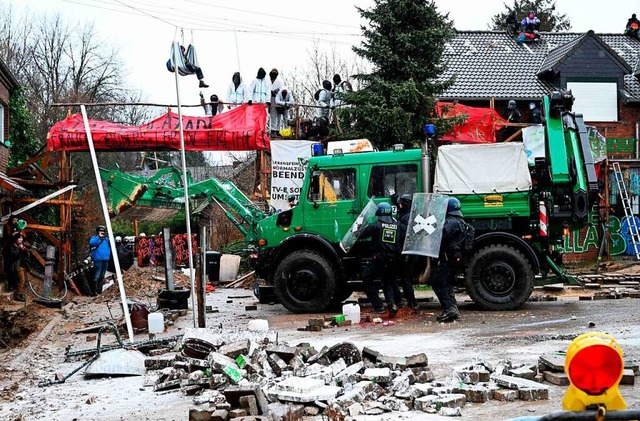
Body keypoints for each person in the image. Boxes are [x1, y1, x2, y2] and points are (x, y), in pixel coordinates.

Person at [358, 202, 401, 317]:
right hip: (394, 259)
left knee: (366, 278)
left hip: (379, 258)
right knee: (388, 282)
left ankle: (378, 306)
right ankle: (392, 305)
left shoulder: (376, 225)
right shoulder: (398, 225)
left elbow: (360, 234)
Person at [431, 197, 466, 323]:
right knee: (448, 284)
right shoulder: (460, 221)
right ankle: (453, 309)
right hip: (454, 258)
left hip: (448, 258)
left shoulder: (451, 222)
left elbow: (439, 233)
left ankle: (449, 309)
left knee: (437, 282)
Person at [393, 193, 419, 313]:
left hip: (407, 252)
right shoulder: (408, 214)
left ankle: (413, 303)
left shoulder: (406, 218)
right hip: (408, 251)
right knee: (404, 278)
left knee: (406, 279)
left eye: (401, 203)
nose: (399, 205)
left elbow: (402, 234)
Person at [89, 225, 111, 296]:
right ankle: (93, 292)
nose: (102, 232)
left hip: (105, 260)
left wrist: (109, 236)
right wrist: (99, 237)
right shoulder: (95, 238)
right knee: (96, 276)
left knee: (102, 276)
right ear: (98, 232)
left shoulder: (106, 239)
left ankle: (99, 291)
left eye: (103, 231)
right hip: (98, 260)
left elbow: (113, 243)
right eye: (100, 231)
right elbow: (91, 243)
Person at [5, 232, 27, 301]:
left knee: (24, 280)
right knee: (21, 280)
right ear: (15, 239)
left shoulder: (21, 245)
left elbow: (26, 254)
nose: (20, 240)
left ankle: (20, 293)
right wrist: (20, 249)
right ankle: (17, 295)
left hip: (22, 264)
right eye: (19, 238)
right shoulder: (12, 246)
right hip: (17, 265)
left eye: (21, 238)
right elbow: (14, 256)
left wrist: (24, 249)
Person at [268, 68, 284, 137]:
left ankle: (277, 130)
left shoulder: (279, 81)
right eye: (272, 73)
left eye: (275, 73)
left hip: (278, 99)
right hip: (270, 99)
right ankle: (273, 130)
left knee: (278, 115)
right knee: (272, 115)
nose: (273, 74)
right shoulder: (268, 81)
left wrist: (277, 91)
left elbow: (282, 89)